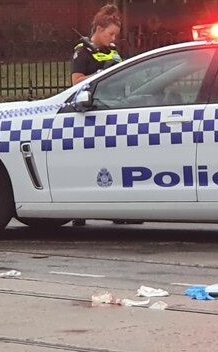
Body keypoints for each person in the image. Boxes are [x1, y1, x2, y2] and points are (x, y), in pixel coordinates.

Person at [71, 4, 123, 227]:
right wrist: (101, 73)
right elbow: (76, 81)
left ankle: (119, 210)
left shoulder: (113, 50)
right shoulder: (82, 50)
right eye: (110, 33)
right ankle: (79, 212)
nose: (113, 38)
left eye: (115, 35)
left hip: (115, 108)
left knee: (116, 162)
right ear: (99, 29)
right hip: (91, 110)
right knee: (90, 163)